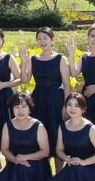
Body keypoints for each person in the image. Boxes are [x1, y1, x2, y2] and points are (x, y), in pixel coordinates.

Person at [0, 93, 51, 181]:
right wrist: (16, 160)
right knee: (17, 170)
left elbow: (45, 151)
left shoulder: (38, 126)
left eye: (24, 107)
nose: (20, 110)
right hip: (15, 162)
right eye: (17, 107)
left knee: (24, 170)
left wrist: (26, 157)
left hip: (36, 164)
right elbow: (4, 149)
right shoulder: (8, 125)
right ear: (12, 109)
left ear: (30, 108)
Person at [20, 27, 71, 159]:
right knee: (40, 133)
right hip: (39, 99)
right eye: (39, 39)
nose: (42, 41)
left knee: (56, 133)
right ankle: (43, 171)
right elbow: (24, 80)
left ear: (52, 40)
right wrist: (24, 62)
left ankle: (59, 174)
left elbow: (66, 85)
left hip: (56, 99)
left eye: (45, 38)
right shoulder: (33, 59)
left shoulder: (60, 59)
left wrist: (66, 105)